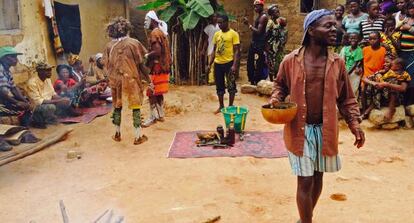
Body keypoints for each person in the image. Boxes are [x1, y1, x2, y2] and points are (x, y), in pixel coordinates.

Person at [270, 9, 364, 223]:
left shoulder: (338, 63)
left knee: (318, 176)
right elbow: (279, 85)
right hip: (299, 130)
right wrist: (276, 98)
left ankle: (304, 220)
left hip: (325, 129)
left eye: (335, 25)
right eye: (328, 26)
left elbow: (347, 99)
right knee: (305, 181)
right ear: (311, 30)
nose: (335, 29)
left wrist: (355, 124)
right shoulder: (290, 60)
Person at [103, 17, 149, 145]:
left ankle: (117, 134)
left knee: (117, 106)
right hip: (131, 79)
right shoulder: (134, 43)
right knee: (135, 106)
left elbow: (105, 65)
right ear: (127, 28)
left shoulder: (109, 46)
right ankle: (138, 136)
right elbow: (141, 64)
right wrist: (148, 79)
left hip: (115, 81)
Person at [142, 11, 171, 127]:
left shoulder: (155, 33)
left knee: (151, 92)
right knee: (158, 92)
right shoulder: (160, 32)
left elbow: (157, 51)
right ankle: (160, 115)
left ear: (152, 20)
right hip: (162, 67)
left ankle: (153, 117)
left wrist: (147, 56)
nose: (145, 22)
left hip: (157, 68)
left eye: (146, 20)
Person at [26, 62, 77, 128]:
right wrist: (59, 101)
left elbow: (53, 94)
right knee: (51, 107)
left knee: (66, 100)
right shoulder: (32, 83)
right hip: (36, 108)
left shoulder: (48, 80)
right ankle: (48, 122)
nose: (50, 72)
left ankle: (57, 118)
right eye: (47, 70)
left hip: (49, 102)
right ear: (40, 71)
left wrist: (62, 99)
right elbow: (38, 102)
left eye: (50, 70)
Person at [208, 15, 240, 114]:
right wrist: (209, 64)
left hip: (229, 63)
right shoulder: (217, 34)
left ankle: (230, 106)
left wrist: (235, 65)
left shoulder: (233, 34)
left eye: (221, 22)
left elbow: (237, 51)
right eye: (218, 23)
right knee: (219, 86)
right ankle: (221, 106)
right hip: (218, 64)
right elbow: (214, 50)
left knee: (231, 85)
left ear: (227, 22)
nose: (219, 24)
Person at [0, 46, 32, 127]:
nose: (16, 59)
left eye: (16, 56)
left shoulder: (7, 70)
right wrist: (17, 102)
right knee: (20, 108)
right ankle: (23, 131)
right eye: (13, 56)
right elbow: (2, 92)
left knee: (26, 102)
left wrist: (24, 101)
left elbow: (14, 88)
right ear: (4, 58)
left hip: (3, 99)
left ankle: (24, 130)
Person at [244, 0, 269, 85]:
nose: (255, 8)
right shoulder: (259, 16)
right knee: (251, 62)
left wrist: (248, 25)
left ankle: (257, 80)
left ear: (262, 6)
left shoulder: (263, 17)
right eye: (254, 6)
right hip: (255, 43)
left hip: (259, 44)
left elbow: (258, 31)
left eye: (257, 6)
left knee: (258, 63)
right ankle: (252, 79)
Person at [361, 31, 387, 112]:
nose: (372, 41)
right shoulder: (365, 49)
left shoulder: (383, 50)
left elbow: (386, 65)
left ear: (379, 39)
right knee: (363, 89)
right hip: (366, 75)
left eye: (374, 39)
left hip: (377, 75)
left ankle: (368, 110)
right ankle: (364, 110)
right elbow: (360, 63)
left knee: (379, 88)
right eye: (370, 39)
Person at [396, 1, 414, 105]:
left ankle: (410, 102)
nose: (412, 10)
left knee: (411, 76)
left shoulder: (408, 23)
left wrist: (409, 28)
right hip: (402, 52)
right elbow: (396, 29)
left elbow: (407, 29)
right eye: (410, 8)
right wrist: (402, 27)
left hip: (412, 52)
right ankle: (404, 101)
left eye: (413, 8)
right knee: (403, 76)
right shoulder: (406, 19)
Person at [340, 32, 364, 97]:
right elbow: (342, 60)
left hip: (353, 71)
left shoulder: (359, 50)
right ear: (348, 39)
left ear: (359, 40)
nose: (353, 40)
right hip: (346, 69)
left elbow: (355, 64)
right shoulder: (346, 49)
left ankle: (353, 103)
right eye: (351, 38)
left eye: (355, 38)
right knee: (345, 89)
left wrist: (347, 73)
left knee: (353, 88)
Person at [202, 13, 220, 85]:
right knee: (211, 65)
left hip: (220, 49)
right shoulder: (208, 28)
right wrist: (203, 49)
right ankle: (211, 80)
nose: (214, 18)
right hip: (210, 49)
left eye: (216, 16)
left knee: (219, 65)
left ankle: (219, 80)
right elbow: (206, 40)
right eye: (213, 17)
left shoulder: (220, 26)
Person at [266, 4, 282, 81]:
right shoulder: (270, 23)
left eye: (278, 11)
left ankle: (276, 79)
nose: (278, 13)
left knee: (277, 63)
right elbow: (266, 35)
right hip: (271, 46)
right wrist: (267, 47)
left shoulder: (277, 22)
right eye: (276, 12)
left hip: (276, 46)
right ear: (272, 14)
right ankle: (271, 80)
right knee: (271, 63)